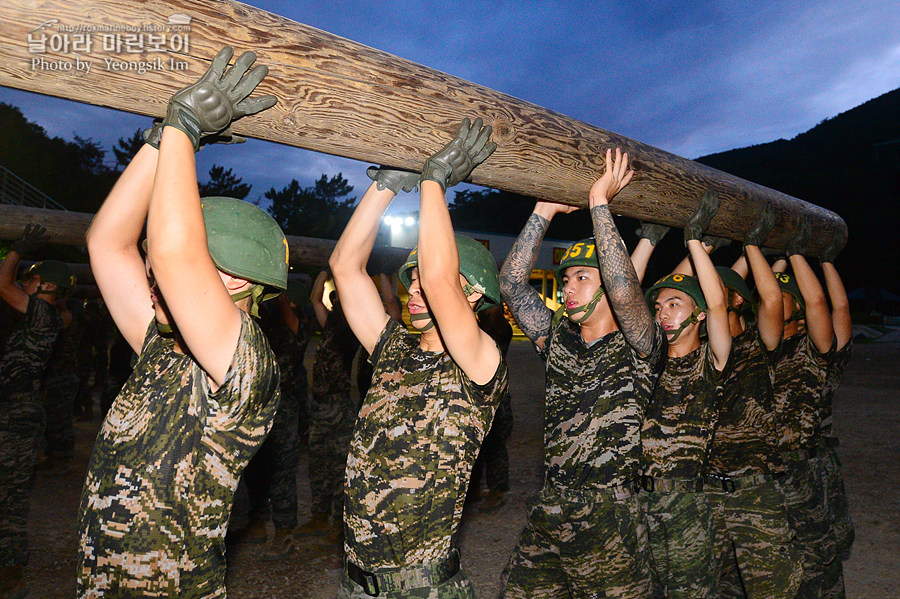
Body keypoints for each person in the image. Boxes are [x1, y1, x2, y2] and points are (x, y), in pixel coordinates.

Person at [76, 46, 284, 597]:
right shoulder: (162, 345)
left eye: (196, 260)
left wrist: (185, 130)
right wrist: (157, 142)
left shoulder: (244, 363)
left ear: (238, 281)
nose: (152, 271)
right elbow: (106, 243)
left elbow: (171, 254)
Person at [329, 117, 507, 597]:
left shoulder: (479, 362)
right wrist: (386, 188)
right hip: (357, 584)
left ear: (474, 298)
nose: (415, 289)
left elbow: (440, 279)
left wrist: (435, 181)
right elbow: (345, 268)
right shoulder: (392, 349)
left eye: (423, 281)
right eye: (410, 281)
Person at [499, 149, 666, 598]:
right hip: (552, 506)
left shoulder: (641, 345)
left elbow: (626, 291)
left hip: (611, 518)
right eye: (566, 278)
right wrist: (541, 212)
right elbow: (512, 286)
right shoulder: (558, 340)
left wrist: (599, 203)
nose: (568, 288)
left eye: (581, 278)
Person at [701, 204, 802, 599]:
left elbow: (771, 300)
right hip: (706, 491)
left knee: (770, 590)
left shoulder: (761, 345)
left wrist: (752, 245)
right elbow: (712, 297)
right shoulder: (699, 350)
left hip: (753, 491)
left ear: (737, 301)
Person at [638, 190, 732, 599]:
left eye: (673, 307)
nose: (662, 312)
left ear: (695, 316)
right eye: (658, 307)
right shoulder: (648, 358)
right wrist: (690, 260)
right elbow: (667, 290)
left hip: (686, 508)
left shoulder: (711, 361)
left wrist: (694, 241)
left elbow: (715, 302)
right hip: (636, 501)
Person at [0, 228, 70, 598]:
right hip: (15, 408)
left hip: (19, 413)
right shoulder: (44, 316)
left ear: (44, 286)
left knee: (9, 493)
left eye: (31, 279)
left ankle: (11, 571)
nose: (25, 285)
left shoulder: (43, 313)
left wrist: (15, 252)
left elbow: (3, 286)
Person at [771, 219, 838, 599]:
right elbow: (759, 297)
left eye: (784, 299)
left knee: (814, 562)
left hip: (802, 469)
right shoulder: (756, 346)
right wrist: (774, 259)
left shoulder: (814, 346)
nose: (774, 302)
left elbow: (820, 303)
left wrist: (796, 252)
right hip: (764, 467)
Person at [236, 279, 312, 558]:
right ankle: (257, 521)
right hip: (257, 404)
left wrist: (275, 284)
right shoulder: (265, 324)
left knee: (281, 471)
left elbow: (287, 315)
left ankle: (285, 532)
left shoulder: (298, 323)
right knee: (254, 467)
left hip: (284, 408)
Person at [298, 271, 361, 546]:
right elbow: (315, 300)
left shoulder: (353, 330)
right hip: (320, 404)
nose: (335, 305)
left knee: (339, 467)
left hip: (338, 405)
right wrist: (324, 272)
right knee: (318, 464)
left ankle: (339, 524)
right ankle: (319, 516)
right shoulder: (331, 324)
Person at [817, 228, 853, 599]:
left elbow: (836, 308)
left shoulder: (822, 356)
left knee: (824, 553)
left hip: (813, 465)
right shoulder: (759, 347)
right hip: (763, 472)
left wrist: (825, 259)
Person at [467, 304, 515, 512]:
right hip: (475, 394)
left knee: (495, 446)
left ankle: (497, 491)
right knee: (474, 446)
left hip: (497, 398)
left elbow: (495, 314)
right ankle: (474, 490)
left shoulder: (500, 329)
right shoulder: (474, 327)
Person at [39, 295, 84, 474]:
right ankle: (54, 456)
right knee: (53, 419)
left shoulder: (67, 318)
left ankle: (61, 458)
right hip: (57, 376)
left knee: (60, 420)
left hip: (63, 377)